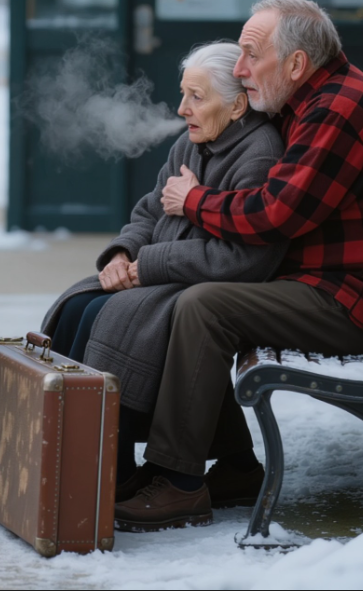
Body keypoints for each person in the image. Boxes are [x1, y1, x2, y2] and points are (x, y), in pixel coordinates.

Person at [113, 0, 363, 533]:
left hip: (353, 304)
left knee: (205, 306)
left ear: (297, 65)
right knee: (205, 294)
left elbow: (273, 213)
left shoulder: (337, 111)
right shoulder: (314, 102)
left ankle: (178, 481)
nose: (239, 70)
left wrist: (192, 202)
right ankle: (235, 466)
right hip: (332, 285)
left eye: (251, 56)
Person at [41, 41, 287, 498]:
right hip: (165, 274)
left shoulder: (259, 155)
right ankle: (84, 457)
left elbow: (242, 260)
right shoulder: (189, 143)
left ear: (236, 105)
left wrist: (145, 267)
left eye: (197, 97)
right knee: (78, 306)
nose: (182, 109)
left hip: (207, 283)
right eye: (183, 94)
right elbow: (148, 213)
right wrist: (121, 254)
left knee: (105, 318)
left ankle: (105, 471)